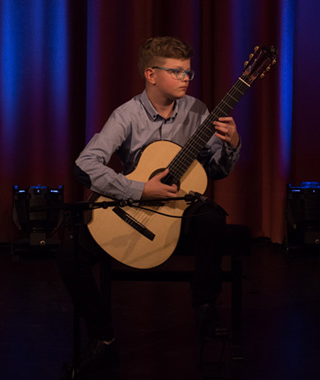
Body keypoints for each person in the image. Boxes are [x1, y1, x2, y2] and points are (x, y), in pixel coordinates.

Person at [59, 36, 241, 377]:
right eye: (176, 72)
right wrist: (140, 189)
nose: (186, 78)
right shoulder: (126, 115)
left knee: (213, 217)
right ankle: (104, 339)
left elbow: (214, 171)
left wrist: (231, 144)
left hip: (178, 213)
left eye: (189, 72)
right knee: (70, 254)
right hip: (133, 208)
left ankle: (204, 306)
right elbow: (85, 164)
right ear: (151, 74)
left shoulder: (199, 111)